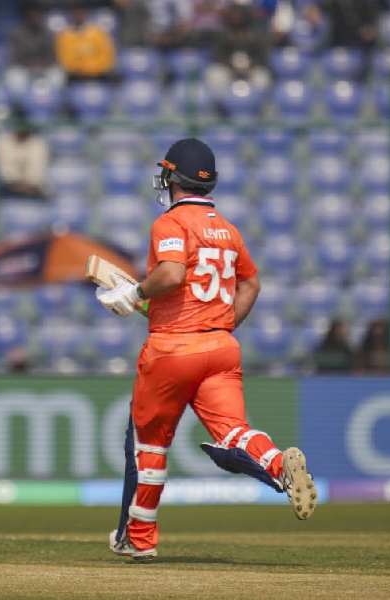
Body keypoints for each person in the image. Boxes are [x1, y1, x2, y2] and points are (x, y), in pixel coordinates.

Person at [95, 138, 317, 561]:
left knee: (150, 447)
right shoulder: (228, 229)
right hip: (220, 348)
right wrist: (221, 323)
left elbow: (174, 273)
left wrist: (135, 292)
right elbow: (251, 283)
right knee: (234, 431)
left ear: (174, 178)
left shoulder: (170, 223)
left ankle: (139, 539)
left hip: (172, 352)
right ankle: (276, 465)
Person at [0, 109, 49, 199]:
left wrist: (28, 184)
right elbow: (6, 172)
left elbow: (37, 172)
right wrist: (15, 183)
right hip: (8, 187)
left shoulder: (37, 143)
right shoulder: (3, 142)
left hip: (33, 189)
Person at [55, 7, 116, 81]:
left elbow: (107, 56)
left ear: (86, 15)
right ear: (71, 16)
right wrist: (81, 69)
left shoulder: (98, 33)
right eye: (76, 14)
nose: (79, 16)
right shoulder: (65, 35)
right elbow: (65, 60)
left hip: (99, 74)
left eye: (81, 13)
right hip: (75, 76)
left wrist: (93, 69)